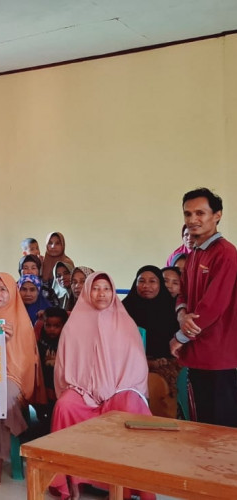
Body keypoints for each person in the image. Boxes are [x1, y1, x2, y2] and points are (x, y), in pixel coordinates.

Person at [50, 272, 151, 500]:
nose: (101, 293)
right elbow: (64, 366)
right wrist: (84, 390)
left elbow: (136, 366)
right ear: (87, 292)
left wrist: (114, 391)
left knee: (130, 406)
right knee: (65, 405)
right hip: (82, 390)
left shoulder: (126, 323)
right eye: (96, 288)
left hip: (119, 389)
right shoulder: (73, 326)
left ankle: (125, 485)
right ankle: (72, 479)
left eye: (106, 288)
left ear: (113, 292)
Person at [170, 188, 237, 428]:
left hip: (219, 358)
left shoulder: (226, 253)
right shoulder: (195, 253)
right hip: (197, 354)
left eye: (200, 213)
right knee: (201, 427)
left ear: (217, 215)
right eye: (188, 214)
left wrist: (180, 337)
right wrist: (181, 314)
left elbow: (212, 307)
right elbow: (183, 293)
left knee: (221, 431)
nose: (192, 219)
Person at [0, 272, 41, 486]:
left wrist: (6, 343)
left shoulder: (21, 320)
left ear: (12, 292)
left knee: (0, 396)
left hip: (12, 377)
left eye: (3, 289)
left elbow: (25, 361)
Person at [123, 265, 181, 418]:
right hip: (128, 363)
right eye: (141, 281)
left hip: (164, 363)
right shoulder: (123, 310)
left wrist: (151, 364)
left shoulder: (172, 310)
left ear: (160, 284)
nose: (146, 286)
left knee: (152, 385)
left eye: (152, 281)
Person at [34, 307, 68, 431]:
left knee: (55, 410)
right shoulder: (40, 337)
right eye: (48, 325)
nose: (52, 329)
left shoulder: (66, 340)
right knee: (43, 409)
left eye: (57, 326)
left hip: (59, 383)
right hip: (44, 380)